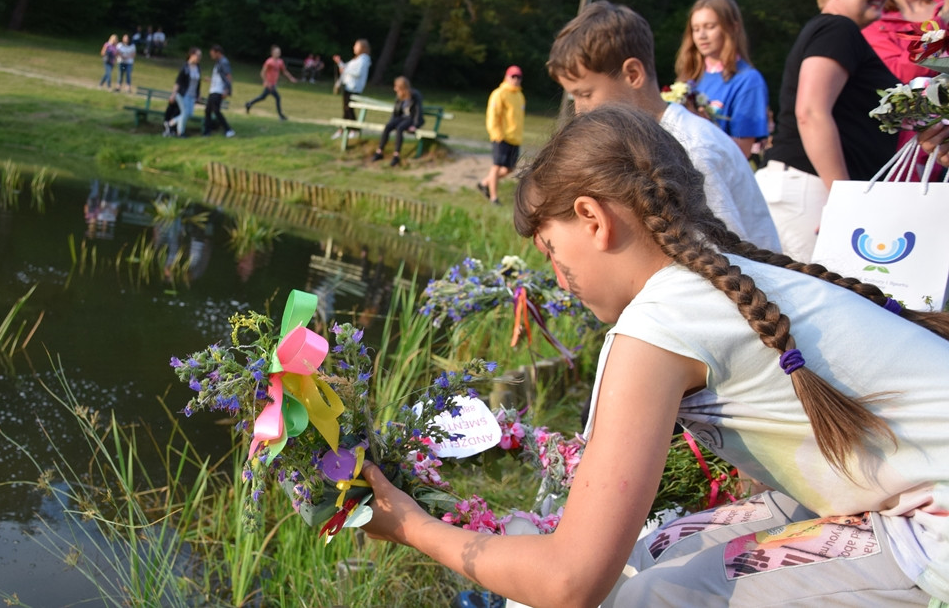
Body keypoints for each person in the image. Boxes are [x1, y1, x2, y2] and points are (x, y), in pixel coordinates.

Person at [361, 104, 949, 607]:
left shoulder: (658, 324)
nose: (558, 277)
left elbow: (571, 581)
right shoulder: (723, 279)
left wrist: (413, 526)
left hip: (935, 532)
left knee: (647, 596)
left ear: (591, 219)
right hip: (913, 499)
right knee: (660, 546)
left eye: (549, 248)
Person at [547, 0, 781, 252]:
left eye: (586, 94)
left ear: (633, 74)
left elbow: (730, 257)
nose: (580, 111)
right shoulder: (647, 140)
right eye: (575, 97)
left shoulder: (692, 149)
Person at [760, 0, 899, 263]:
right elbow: (810, 112)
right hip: (814, 192)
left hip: (810, 189)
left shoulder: (834, 32)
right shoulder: (838, 29)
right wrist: (843, 200)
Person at [674, 0, 771, 159]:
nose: (701, 35)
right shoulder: (689, 79)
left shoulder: (748, 80)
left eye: (710, 27)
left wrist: (704, 126)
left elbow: (741, 152)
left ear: (733, 28)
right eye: (696, 29)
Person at [478, 66, 525, 205]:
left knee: (510, 168)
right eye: (513, 76)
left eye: (518, 77)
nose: (516, 80)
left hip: (514, 137)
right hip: (501, 136)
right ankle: (494, 197)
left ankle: (485, 183)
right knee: (497, 166)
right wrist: (496, 133)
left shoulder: (520, 96)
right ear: (507, 77)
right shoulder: (499, 93)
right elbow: (492, 115)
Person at [371, 76, 425, 167]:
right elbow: (395, 112)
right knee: (388, 127)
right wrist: (391, 123)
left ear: (402, 87)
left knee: (399, 129)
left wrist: (415, 125)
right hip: (401, 117)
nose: (394, 89)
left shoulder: (415, 95)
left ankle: (396, 155)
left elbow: (418, 112)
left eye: (396, 86)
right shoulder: (399, 96)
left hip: (411, 119)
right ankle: (379, 152)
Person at [332, 39, 372, 138]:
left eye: (356, 45)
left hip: (354, 88)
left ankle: (352, 129)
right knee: (347, 109)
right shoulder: (357, 59)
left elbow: (356, 72)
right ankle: (344, 129)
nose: (354, 47)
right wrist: (340, 63)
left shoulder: (363, 60)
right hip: (349, 87)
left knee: (349, 109)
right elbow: (347, 69)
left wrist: (344, 69)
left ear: (362, 47)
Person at [245, 45, 297, 120]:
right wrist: (266, 82)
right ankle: (281, 116)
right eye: (276, 52)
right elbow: (262, 73)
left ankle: (249, 104)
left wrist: (291, 78)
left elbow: (284, 71)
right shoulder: (269, 62)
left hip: (273, 84)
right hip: (269, 84)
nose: (278, 53)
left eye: (279, 52)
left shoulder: (280, 62)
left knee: (263, 97)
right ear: (272, 53)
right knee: (277, 98)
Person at [165, 47, 202, 138]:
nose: (199, 57)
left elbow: (198, 83)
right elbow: (178, 82)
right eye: (198, 55)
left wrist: (198, 94)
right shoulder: (185, 67)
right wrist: (173, 94)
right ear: (192, 55)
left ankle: (170, 124)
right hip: (183, 94)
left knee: (189, 114)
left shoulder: (198, 68)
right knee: (185, 113)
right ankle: (180, 132)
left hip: (192, 95)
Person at [203, 44, 235, 138]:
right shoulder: (218, 62)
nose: (211, 55)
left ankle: (228, 130)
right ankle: (207, 132)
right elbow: (219, 77)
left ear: (218, 53)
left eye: (212, 53)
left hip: (219, 90)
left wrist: (226, 90)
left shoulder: (224, 62)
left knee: (216, 111)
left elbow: (229, 76)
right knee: (208, 111)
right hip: (214, 89)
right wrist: (211, 80)